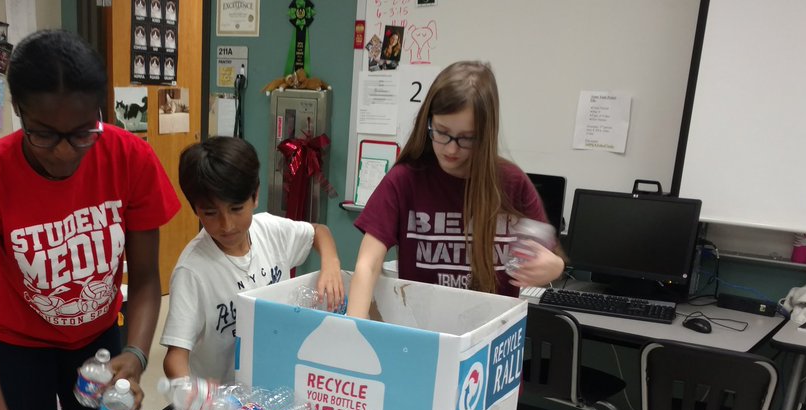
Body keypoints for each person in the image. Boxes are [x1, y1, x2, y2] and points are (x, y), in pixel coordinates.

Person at [0, 30, 180, 410]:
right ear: (20, 113)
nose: (66, 151)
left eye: (83, 132)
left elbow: (147, 280)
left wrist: (137, 353)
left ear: (99, 114)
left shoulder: (131, 159)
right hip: (16, 347)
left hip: (99, 340)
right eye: (45, 134)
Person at [347, 61, 563, 317]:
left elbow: (548, 257)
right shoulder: (405, 180)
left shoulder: (511, 183)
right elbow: (368, 264)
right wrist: (353, 330)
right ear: (428, 122)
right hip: (423, 333)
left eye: (465, 138)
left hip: (489, 339)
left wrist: (554, 266)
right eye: (442, 132)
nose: (450, 149)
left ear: (485, 134)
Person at [161, 136, 343, 384]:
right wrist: (192, 393)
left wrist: (331, 266)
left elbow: (319, 232)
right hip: (224, 399)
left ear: (255, 196)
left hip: (273, 380)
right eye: (211, 213)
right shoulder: (192, 271)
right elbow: (175, 357)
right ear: (195, 209)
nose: (227, 225)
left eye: (236, 209)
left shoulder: (270, 230)